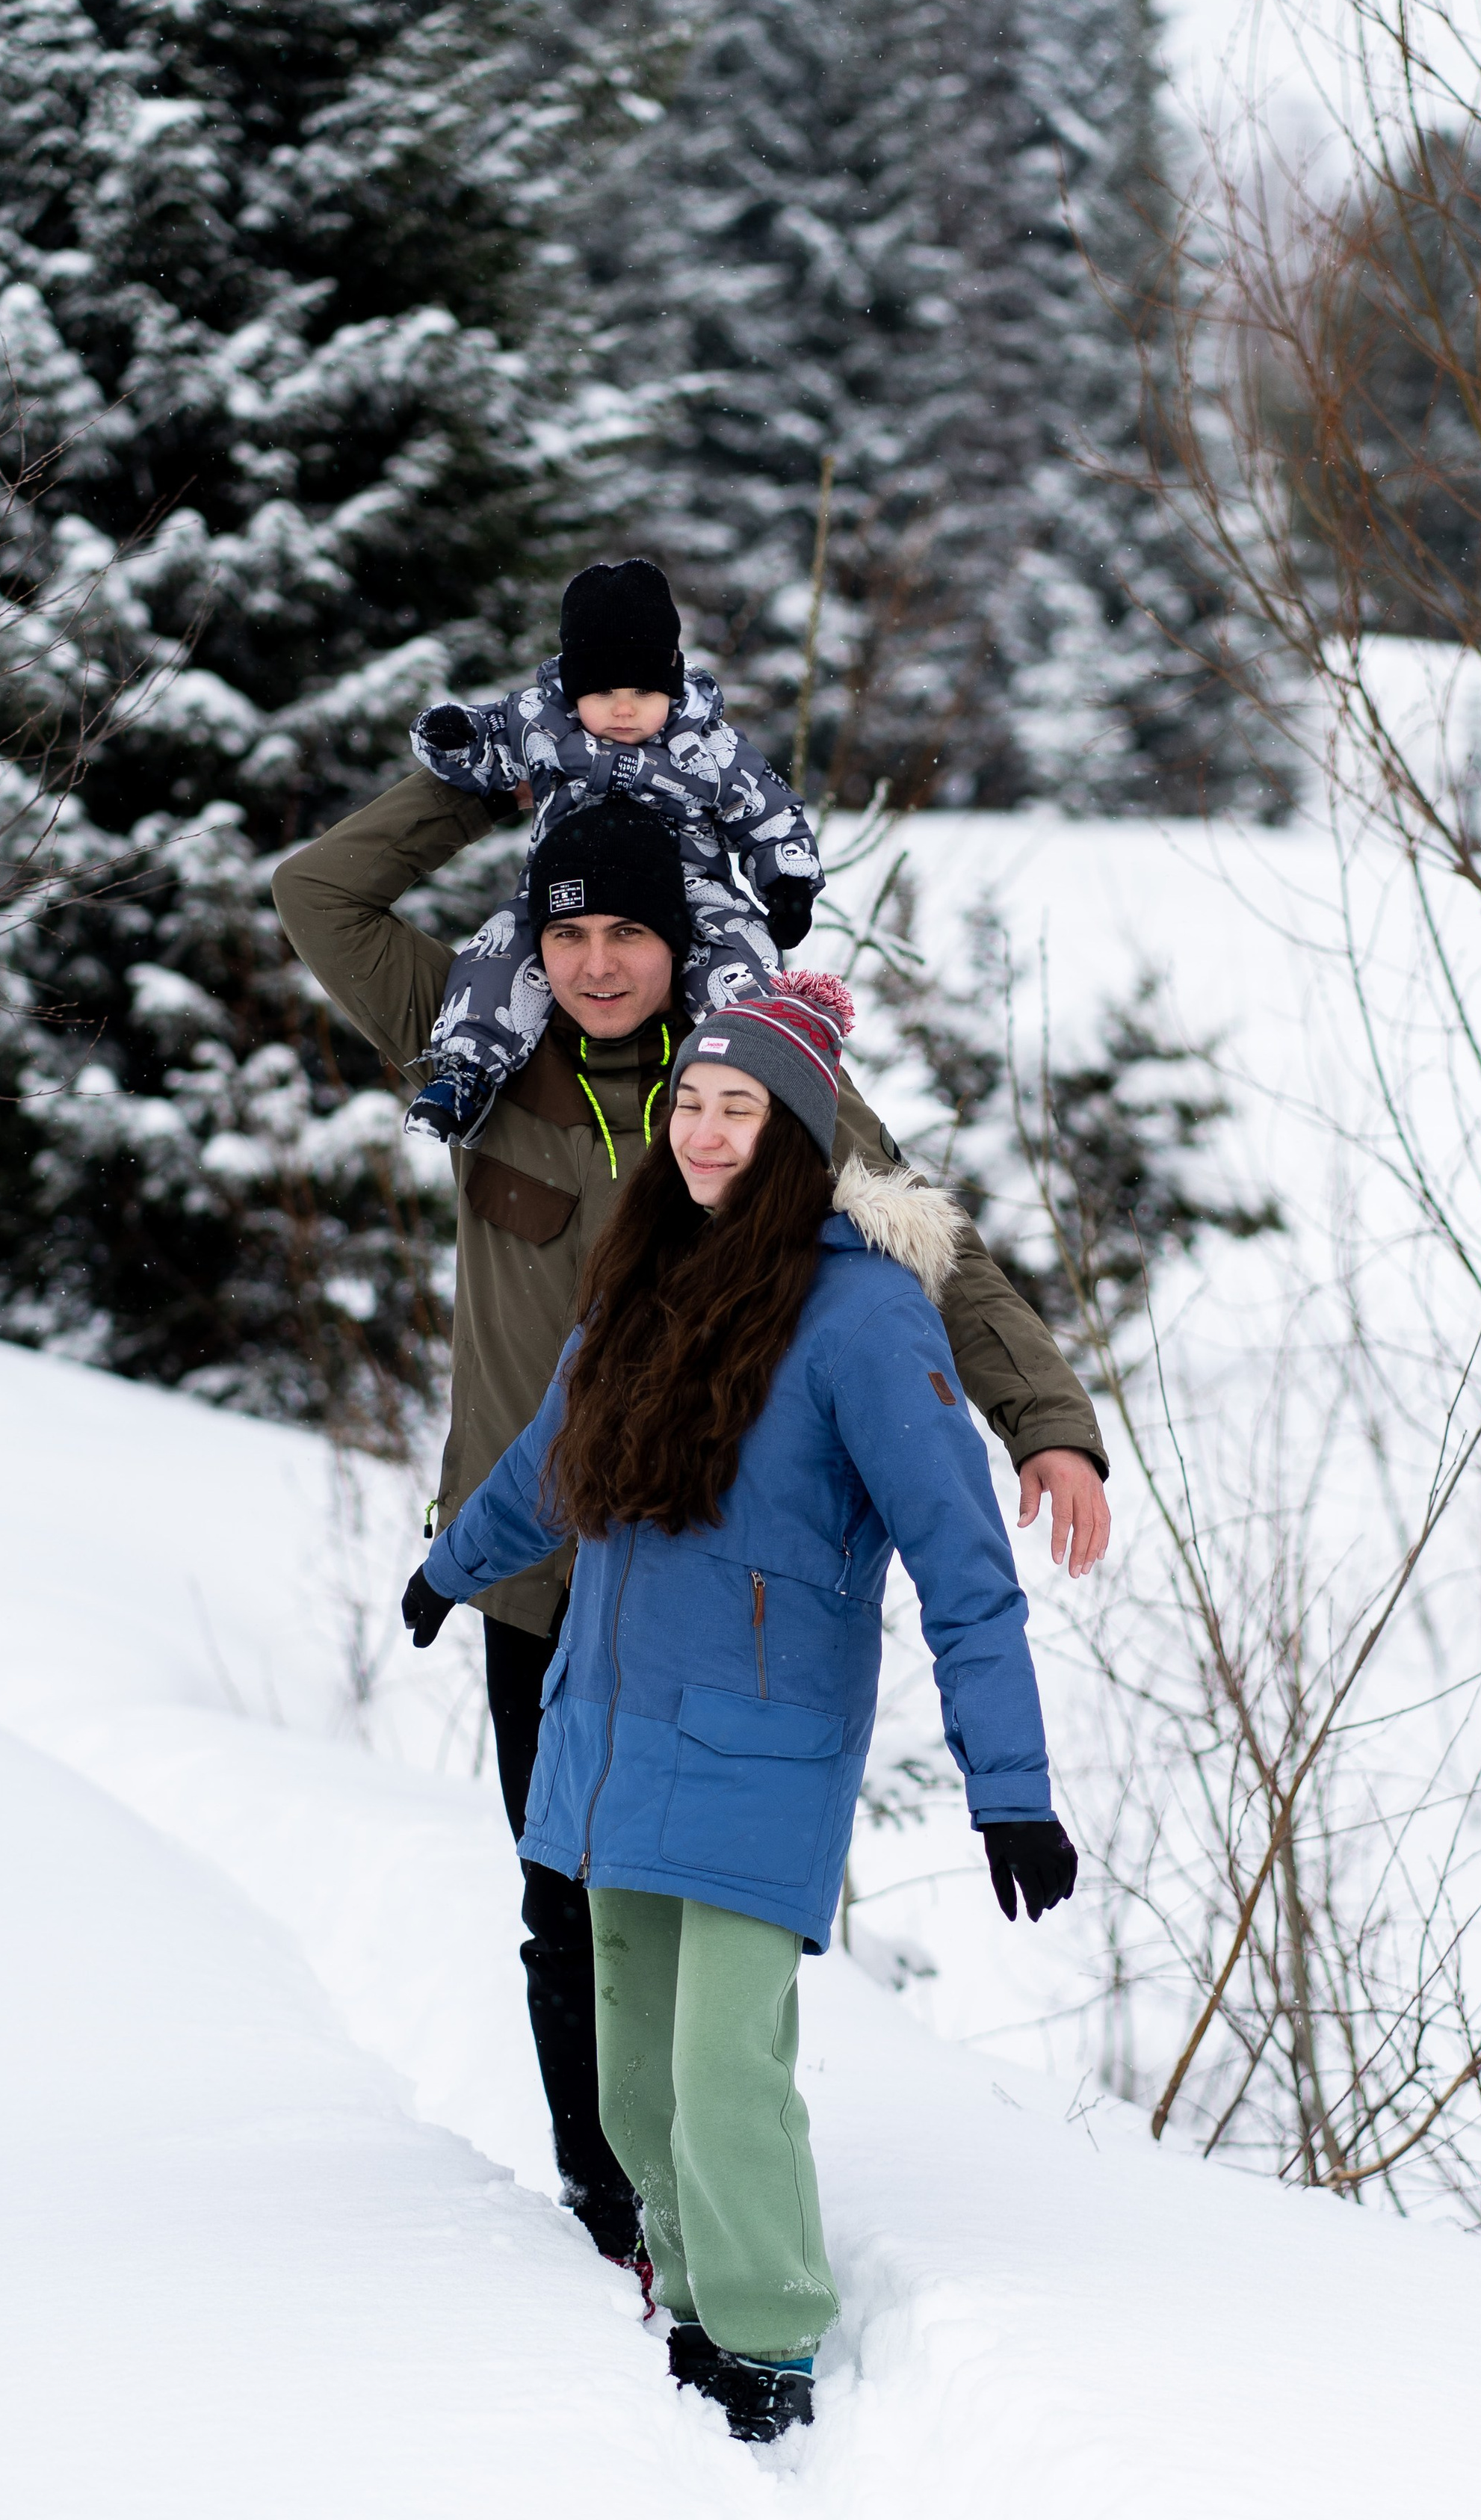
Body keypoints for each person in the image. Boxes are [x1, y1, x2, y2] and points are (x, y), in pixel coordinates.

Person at [270, 773, 1109, 2287]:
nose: (597, 962)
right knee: (563, 1906)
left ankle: (713, 2226)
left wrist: (1041, 1421)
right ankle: (617, 2214)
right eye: (568, 930)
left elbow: (931, 1256)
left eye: (629, 934)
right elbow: (317, 894)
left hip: (724, 1594)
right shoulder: (475, 1043)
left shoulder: (762, 1086)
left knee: (696, 1918)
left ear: (681, 940)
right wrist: (485, 776)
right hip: (539, 1572)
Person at [409, 976, 1079, 2445]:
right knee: (636, 2085)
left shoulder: (860, 1318)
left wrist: (1009, 1786)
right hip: (613, 1729)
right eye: (693, 1104)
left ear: (802, 1137)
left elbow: (964, 1568)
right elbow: (542, 1463)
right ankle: (700, 2298)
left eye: (746, 1109)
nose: (711, 1130)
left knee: (722, 2067)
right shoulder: (641, 1274)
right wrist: (450, 1571)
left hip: (763, 1744)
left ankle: (767, 2340)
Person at [404, 557, 823, 1144]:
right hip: (563, 886)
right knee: (501, 950)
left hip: (686, 885)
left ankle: (757, 1059)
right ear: (575, 689)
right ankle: (467, 1069)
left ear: (671, 683)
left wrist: (788, 884)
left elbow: (768, 810)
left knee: (738, 945)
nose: (624, 709)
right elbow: (488, 743)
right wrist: (454, 737)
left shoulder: (706, 744)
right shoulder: (543, 725)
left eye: (643, 690)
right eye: (603, 691)